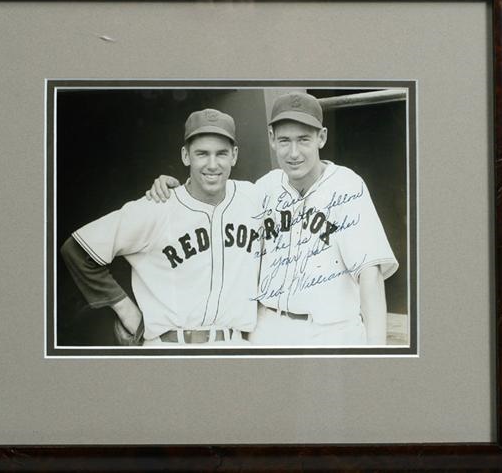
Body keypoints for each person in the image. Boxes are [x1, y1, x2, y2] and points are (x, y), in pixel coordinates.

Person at [146, 92, 398, 346]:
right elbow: (212, 196)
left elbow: (371, 276)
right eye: (285, 140)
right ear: (272, 139)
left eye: (304, 140)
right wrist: (173, 187)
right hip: (268, 328)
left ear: (321, 138)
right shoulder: (263, 189)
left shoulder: (346, 186)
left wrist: (376, 352)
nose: (294, 152)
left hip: (331, 331)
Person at [61, 108, 261, 346]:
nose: (212, 164)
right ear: (186, 156)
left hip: (233, 345)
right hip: (169, 347)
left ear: (234, 155)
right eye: (202, 154)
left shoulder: (254, 198)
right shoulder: (157, 206)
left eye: (221, 154)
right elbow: (77, 250)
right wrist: (128, 313)